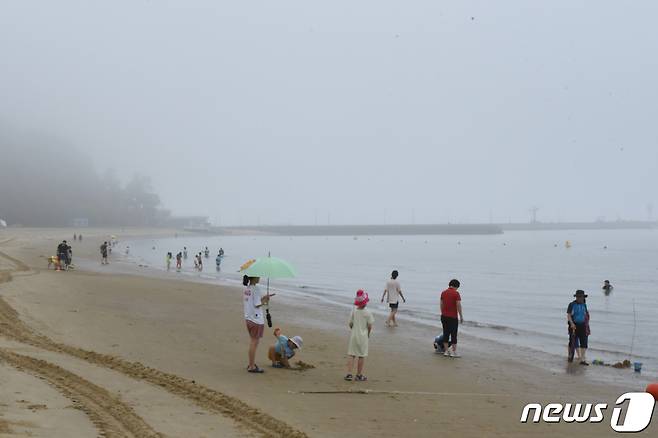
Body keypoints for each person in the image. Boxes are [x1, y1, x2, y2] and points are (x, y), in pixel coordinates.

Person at [244, 275, 272, 373]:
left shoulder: (247, 288)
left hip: (248, 318)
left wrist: (263, 299)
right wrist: (265, 301)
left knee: (253, 341)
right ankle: (251, 366)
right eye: (258, 276)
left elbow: (253, 302)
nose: (259, 277)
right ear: (254, 277)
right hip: (255, 319)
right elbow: (257, 304)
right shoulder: (255, 288)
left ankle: (251, 364)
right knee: (254, 342)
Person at [345, 290, 374, 382]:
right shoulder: (368, 312)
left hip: (354, 335)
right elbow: (369, 326)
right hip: (363, 336)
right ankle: (359, 375)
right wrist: (368, 334)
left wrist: (354, 329)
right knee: (361, 356)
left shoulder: (354, 311)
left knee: (351, 354)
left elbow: (350, 324)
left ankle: (349, 374)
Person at [440, 279, 464, 358]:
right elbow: (458, 305)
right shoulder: (456, 293)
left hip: (444, 316)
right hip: (453, 317)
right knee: (454, 334)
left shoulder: (443, 292)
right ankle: (454, 352)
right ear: (456, 286)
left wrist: (443, 312)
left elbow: (441, 304)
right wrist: (461, 316)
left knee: (445, 333)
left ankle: (446, 351)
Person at [567, 290, 590, 365]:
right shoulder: (572, 304)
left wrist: (587, 325)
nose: (580, 298)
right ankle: (571, 355)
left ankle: (582, 359)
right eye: (579, 297)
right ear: (576, 297)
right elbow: (569, 315)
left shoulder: (584, 304)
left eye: (581, 297)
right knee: (572, 342)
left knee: (584, 342)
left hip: (583, 325)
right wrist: (572, 323)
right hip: (574, 325)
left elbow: (586, 314)